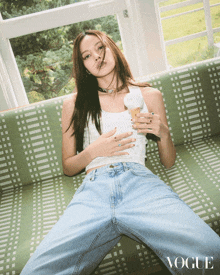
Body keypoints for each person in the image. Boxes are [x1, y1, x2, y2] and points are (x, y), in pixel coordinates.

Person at [21, 30, 220, 275]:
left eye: (100, 47)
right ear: (83, 67)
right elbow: (68, 167)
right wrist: (94, 150)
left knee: (211, 253)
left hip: (140, 183)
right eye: (87, 55)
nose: (96, 56)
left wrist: (164, 133)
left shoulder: (149, 96)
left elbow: (168, 162)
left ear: (112, 47)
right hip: (94, 190)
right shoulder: (74, 104)